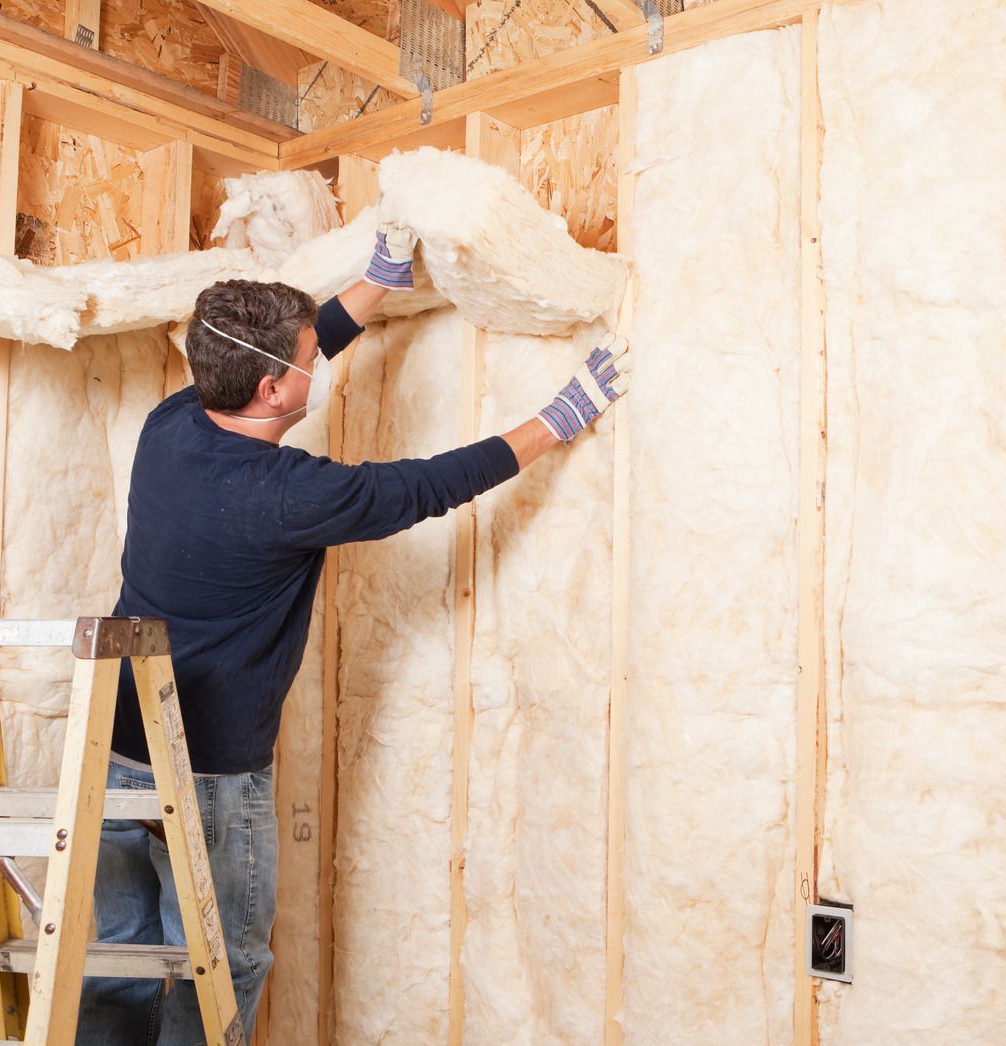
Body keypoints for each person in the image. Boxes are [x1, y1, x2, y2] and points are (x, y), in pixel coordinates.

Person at [75, 219, 629, 1043]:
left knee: (116, 955)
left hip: (114, 742)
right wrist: (559, 417)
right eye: (305, 361)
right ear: (271, 392)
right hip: (212, 775)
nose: (314, 366)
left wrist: (377, 281)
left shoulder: (174, 423)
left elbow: (283, 350)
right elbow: (431, 485)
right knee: (223, 966)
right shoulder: (292, 495)